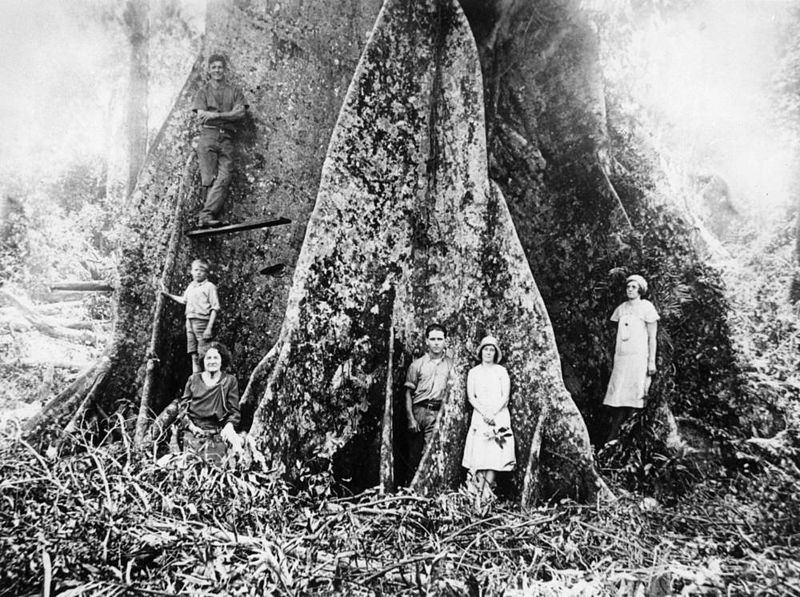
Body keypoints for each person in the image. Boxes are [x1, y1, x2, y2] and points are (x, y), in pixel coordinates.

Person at [191, 54, 248, 228]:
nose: (217, 70)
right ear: (209, 70)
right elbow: (201, 116)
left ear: (225, 70)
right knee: (208, 178)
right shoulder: (203, 92)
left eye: (220, 67)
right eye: (214, 67)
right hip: (208, 136)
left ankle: (205, 215)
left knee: (225, 176)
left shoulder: (234, 91)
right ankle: (205, 218)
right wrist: (228, 116)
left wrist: (216, 115)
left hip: (227, 139)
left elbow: (240, 113)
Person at [603, 274, 660, 442]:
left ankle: (629, 438)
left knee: (635, 395)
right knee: (619, 394)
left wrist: (651, 361)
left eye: (634, 287)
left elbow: (652, 337)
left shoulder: (646, 307)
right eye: (628, 287)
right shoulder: (621, 309)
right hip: (622, 358)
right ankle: (612, 437)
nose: (630, 290)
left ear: (640, 290)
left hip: (639, 359)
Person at [462, 336, 516, 501]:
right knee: (479, 451)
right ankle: (474, 491)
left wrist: (493, 413)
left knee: (494, 454)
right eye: (486, 349)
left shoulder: (501, 371)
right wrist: (484, 413)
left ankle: (487, 491)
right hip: (480, 415)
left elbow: (505, 396)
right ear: (481, 351)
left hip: (498, 415)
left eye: (492, 349)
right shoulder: (474, 372)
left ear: (496, 353)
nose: (488, 352)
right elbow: (471, 397)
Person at [179, 342, 243, 462]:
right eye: (208, 358)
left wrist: (229, 427)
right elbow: (183, 409)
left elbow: (234, 412)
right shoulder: (193, 380)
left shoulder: (229, 381)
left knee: (215, 473)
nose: (212, 361)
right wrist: (192, 428)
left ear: (222, 361)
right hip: (194, 435)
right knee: (192, 472)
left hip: (218, 436)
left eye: (215, 358)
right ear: (203, 361)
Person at [405, 323, 454, 476]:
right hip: (419, 411)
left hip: (438, 412)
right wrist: (410, 418)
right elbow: (408, 393)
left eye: (440, 339)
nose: (436, 342)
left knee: (431, 453)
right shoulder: (417, 365)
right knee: (414, 455)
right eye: (433, 339)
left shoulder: (451, 365)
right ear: (426, 341)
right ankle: (410, 491)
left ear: (445, 341)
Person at [161, 259, 220, 373]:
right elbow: (184, 300)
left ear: (206, 273)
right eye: (196, 270)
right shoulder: (191, 286)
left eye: (202, 270)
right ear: (191, 272)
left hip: (202, 321)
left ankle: (208, 380)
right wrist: (168, 295)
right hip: (190, 321)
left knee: (204, 353)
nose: (198, 273)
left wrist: (209, 328)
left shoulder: (209, 286)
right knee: (193, 353)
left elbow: (215, 308)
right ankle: (196, 379)